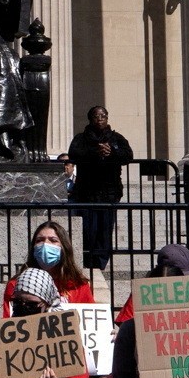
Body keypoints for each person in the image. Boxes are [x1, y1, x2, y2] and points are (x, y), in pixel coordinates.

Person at [61, 106, 135, 270]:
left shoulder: (116, 138)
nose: (100, 118)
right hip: (86, 193)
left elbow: (128, 155)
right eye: (96, 116)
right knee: (88, 231)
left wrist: (111, 151)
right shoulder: (81, 138)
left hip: (109, 193)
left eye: (103, 115)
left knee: (105, 231)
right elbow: (74, 154)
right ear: (90, 119)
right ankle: (87, 261)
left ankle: (100, 263)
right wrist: (96, 151)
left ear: (107, 118)